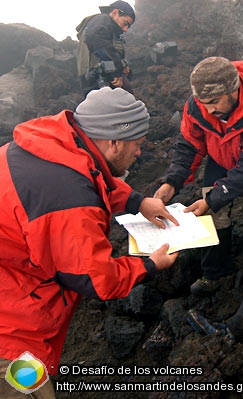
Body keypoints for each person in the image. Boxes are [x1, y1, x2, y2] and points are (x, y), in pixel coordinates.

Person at [0, 87, 179, 399]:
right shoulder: (70, 202)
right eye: (136, 144)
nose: (140, 152)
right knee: (27, 389)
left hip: (12, 278)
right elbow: (96, 280)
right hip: (12, 326)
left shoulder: (54, 145)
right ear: (113, 142)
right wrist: (150, 263)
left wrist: (137, 200)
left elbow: (88, 177)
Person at [154, 56, 243, 291]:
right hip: (221, 158)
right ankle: (215, 274)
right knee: (211, 218)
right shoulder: (197, 107)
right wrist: (172, 182)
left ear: (233, 90)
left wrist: (212, 199)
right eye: (203, 102)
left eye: (214, 101)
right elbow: (188, 146)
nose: (208, 109)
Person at [76, 0, 136, 96]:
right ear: (114, 12)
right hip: (98, 81)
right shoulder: (101, 19)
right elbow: (96, 39)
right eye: (125, 23)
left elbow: (107, 51)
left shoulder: (106, 27)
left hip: (96, 81)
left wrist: (123, 66)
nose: (125, 29)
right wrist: (117, 71)